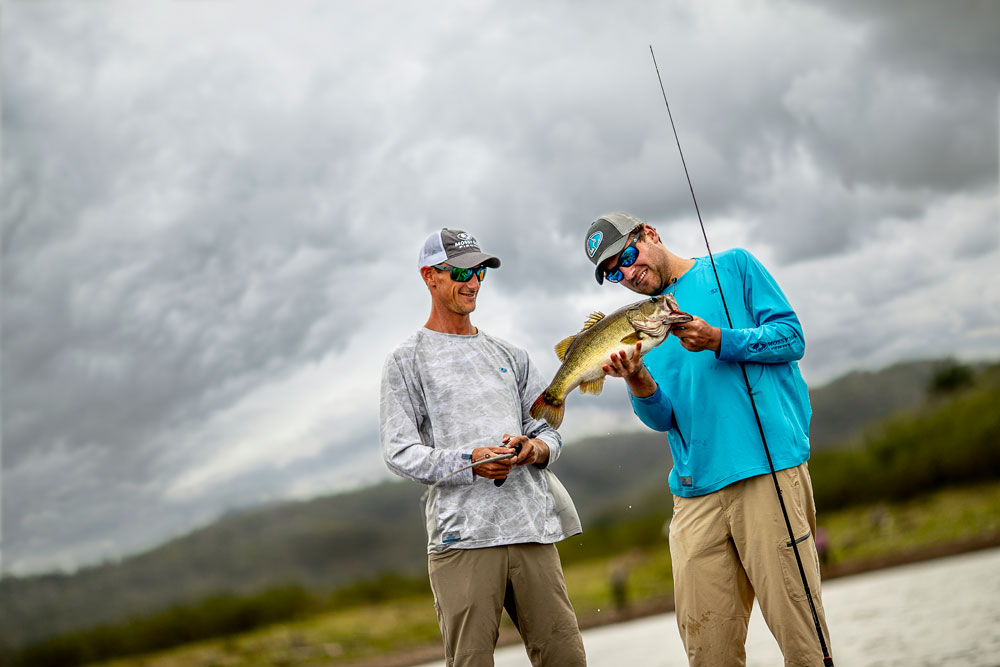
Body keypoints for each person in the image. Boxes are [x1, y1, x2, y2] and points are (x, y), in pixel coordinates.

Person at [583, 212, 833, 666]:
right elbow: (664, 418)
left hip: (767, 473)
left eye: (628, 256)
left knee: (804, 644)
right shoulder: (644, 324)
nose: (628, 273)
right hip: (695, 495)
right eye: (615, 272)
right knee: (708, 653)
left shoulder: (735, 267)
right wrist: (638, 380)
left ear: (650, 234)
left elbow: (791, 338)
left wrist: (721, 339)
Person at [380, 228, 587, 667]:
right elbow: (399, 452)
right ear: (429, 277)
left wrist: (534, 448)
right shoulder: (406, 359)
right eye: (460, 271)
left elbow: (549, 431)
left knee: (567, 659)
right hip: (462, 541)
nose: (473, 282)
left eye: (479, 272)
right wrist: (467, 462)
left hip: (532, 530)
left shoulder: (511, 354)